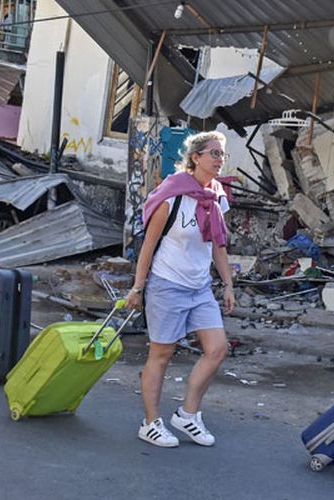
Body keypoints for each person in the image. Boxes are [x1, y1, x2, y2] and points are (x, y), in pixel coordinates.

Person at [125, 131, 235, 448]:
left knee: (217, 350)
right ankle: (150, 423)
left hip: (199, 288)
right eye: (214, 153)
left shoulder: (217, 197)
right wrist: (137, 287)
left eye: (222, 154)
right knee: (161, 354)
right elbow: (147, 247)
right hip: (167, 285)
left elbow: (218, 246)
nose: (219, 160)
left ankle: (187, 415)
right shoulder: (172, 197)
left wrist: (227, 284)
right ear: (196, 157)